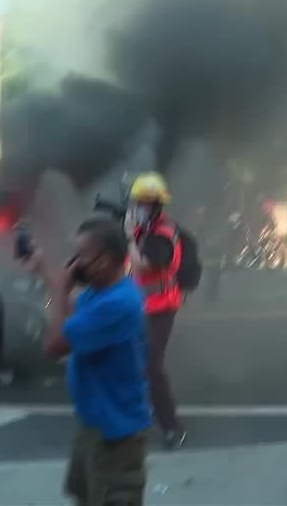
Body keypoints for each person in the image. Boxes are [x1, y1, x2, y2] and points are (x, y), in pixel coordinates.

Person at [22, 217, 151, 506]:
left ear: (104, 260)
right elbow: (69, 315)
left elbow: (54, 346)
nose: (75, 263)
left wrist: (59, 290)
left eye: (81, 256)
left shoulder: (118, 303)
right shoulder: (100, 293)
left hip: (116, 437)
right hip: (95, 426)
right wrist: (46, 272)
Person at [125, 172, 186, 449]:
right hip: (140, 307)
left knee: (151, 366)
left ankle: (172, 426)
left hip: (162, 308)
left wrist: (128, 238)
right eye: (137, 202)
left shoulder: (162, 234)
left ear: (158, 206)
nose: (139, 208)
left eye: (145, 203)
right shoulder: (144, 230)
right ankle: (135, 418)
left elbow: (143, 265)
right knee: (131, 363)